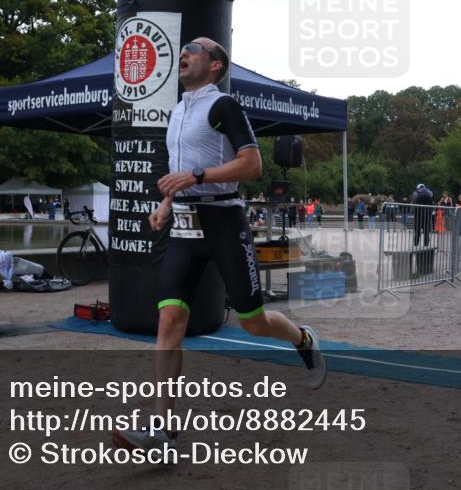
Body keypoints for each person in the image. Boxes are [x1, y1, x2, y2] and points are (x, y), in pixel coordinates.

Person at [113, 37, 326, 453]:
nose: (184, 54)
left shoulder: (222, 106)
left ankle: (304, 339)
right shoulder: (176, 111)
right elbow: (178, 173)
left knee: (252, 321)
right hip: (184, 228)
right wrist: (166, 202)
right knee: (169, 324)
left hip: (224, 221)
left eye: (194, 49)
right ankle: (163, 431)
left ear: (215, 65)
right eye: (184, 49)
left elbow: (252, 164)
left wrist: (196, 176)